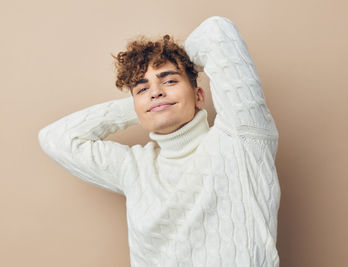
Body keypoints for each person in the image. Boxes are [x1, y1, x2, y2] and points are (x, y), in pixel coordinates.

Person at [38, 16, 281, 267]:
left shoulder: (241, 138)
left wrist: (171, 69)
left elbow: (216, 31)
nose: (155, 91)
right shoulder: (134, 167)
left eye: (169, 80)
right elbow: (55, 138)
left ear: (199, 96)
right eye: (142, 89)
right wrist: (151, 104)